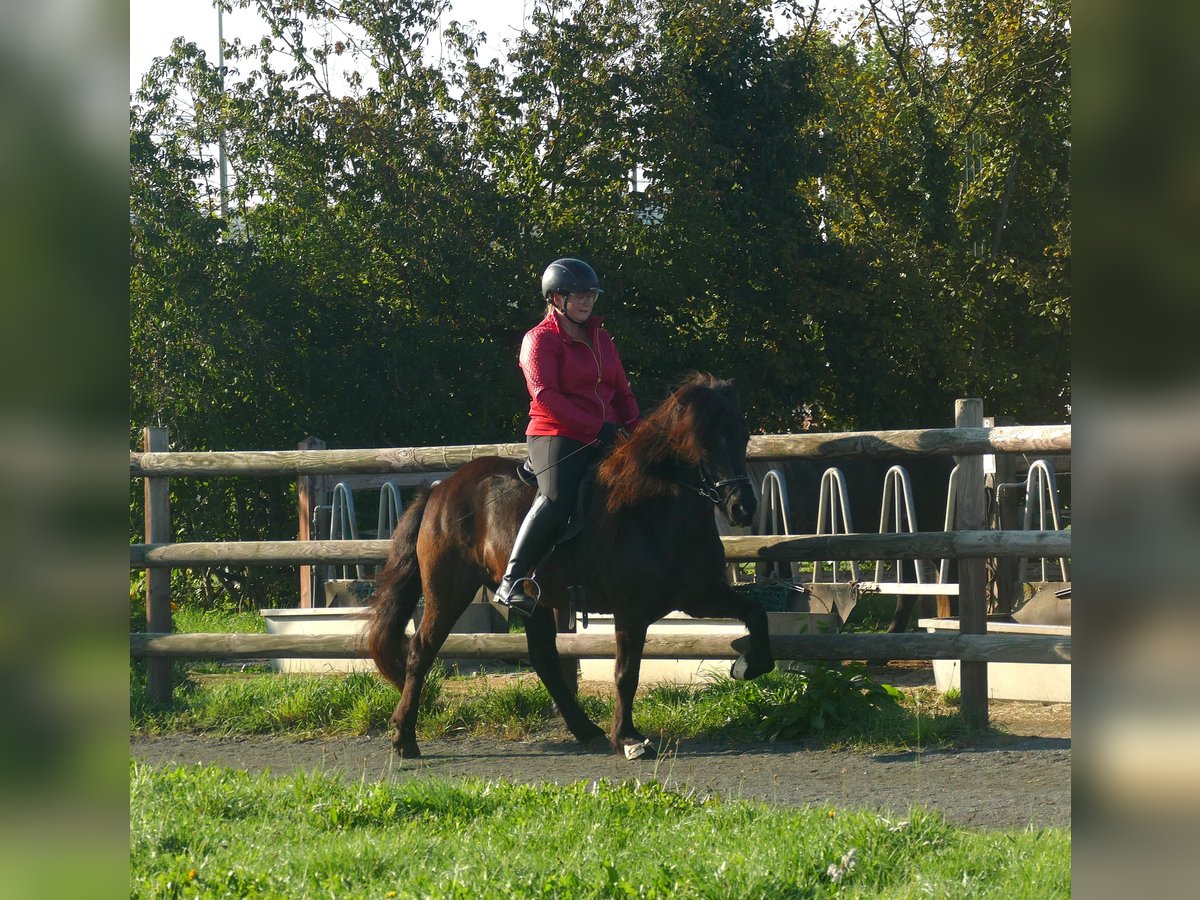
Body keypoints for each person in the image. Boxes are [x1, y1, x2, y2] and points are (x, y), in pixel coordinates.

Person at [494, 257, 642, 617]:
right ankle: (511, 580)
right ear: (556, 299)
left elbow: (622, 393)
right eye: (579, 295)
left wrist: (639, 432)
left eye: (591, 295)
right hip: (555, 433)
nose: (588, 301)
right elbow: (544, 395)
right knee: (557, 497)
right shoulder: (539, 339)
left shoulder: (602, 339)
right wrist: (595, 428)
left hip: (605, 432)